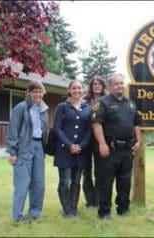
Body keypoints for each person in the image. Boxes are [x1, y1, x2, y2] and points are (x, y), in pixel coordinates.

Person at [92, 73, 141, 220]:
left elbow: (136, 123)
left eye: (121, 83)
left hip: (127, 149)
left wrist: (138, 140)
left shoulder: (130, 104)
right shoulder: (103, 102)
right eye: (116, 83)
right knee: (106, 182)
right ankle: (105, 212)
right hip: (110, 149)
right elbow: (96, 123)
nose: (120, 86)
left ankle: (123, 209)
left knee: (125, 181)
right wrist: (102, 143)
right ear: (110, 86)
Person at [6, 80, 48, 224]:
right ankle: (17, 216)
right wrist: (12, 152)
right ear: (29, 93)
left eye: (40, 91)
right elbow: (13, 130)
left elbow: (44, 132)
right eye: (35, 91)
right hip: (24, 147)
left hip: (39, 148)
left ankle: (35, 213)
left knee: (39, 183)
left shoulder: (43, 110)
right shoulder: (21, 107)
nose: (38, 94)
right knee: (22, 183)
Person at [53, 80, 92, 218]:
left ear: (83, 90)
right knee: (64, 181)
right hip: (65, 151)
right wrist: (69, 145)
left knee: (76, 181)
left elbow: (89, 130)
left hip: (81, 152)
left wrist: (81, 146)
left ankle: (73, 209)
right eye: (74, 88)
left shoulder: (88, 108)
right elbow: (57, 128)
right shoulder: (62, 107)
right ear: (69, 90)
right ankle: (67, 209)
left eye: (79, 88)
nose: (76, 90)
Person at [82, 75, 107, 207]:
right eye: (94, 84)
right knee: (86, 171)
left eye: (99, 84)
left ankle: (98, 199)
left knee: (100, 171)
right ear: (91, 86)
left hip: (100, 140)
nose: (97, 86)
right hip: (86, 140)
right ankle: (89, 200)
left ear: (103, 86)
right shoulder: (84, 102)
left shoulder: (107, 101)